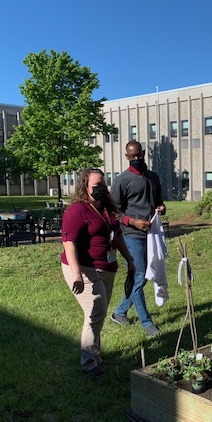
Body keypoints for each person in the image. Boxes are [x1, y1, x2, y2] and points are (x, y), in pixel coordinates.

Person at [61, 168, 135, 377]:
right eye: (96, 187)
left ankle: (96, 354)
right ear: (85, 188)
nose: (100, 189)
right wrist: (76, 274)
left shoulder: (106, 209)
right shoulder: (77, 210)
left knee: (99, 313)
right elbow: (69, 243)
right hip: (84, 268)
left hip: (107, 267)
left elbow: (117, 236)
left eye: (103, 185)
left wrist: (129, 259)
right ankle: (89, 363)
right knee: (95, 312)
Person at [110, 140, 165, 337]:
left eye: (138, 155)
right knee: (139, 275)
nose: (136, 159)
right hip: (130, 235)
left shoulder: (152, 177)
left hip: (151, 235)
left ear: (143, 153)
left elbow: (158, 201)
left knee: (143, 276)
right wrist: (133, 222)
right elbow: (114, 210)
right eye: (132, 157)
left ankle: (119, 312)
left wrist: (161, 207)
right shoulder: (122, 180)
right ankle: (146, 323)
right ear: (127, 157)